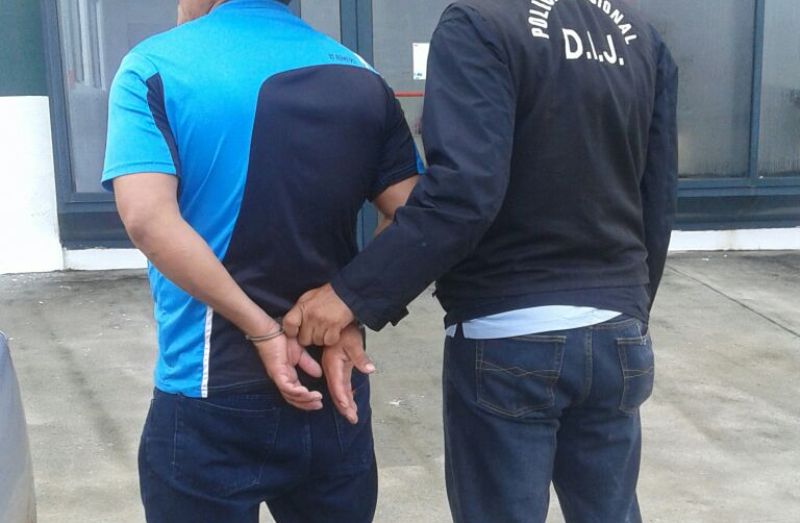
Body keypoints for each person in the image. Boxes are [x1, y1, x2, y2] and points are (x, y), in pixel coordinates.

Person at [285, 0, 679, 521]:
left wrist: (351, 295)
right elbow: (658, 194)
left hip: (510, 333)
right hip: (617, 334)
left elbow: (465, 193)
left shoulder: (479, 23)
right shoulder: (640, 36)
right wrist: (631, 307)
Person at [102, 1, 419, 521]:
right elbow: (414, 215)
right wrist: (350, 306)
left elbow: (148, 220)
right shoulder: (360, 73)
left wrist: (262, 329)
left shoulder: (154, 66)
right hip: (331, 378)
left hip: (209, 391)